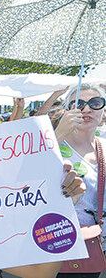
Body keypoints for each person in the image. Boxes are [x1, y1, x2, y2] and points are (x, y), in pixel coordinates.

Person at [54, 83, 106, 278]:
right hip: (59, 242)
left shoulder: (104, 146)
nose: (86, 109)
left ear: (104, 111)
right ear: (67, 111)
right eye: (78, 103)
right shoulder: (54, 144)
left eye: (95, 103)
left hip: (96, 245)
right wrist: (58, 133)